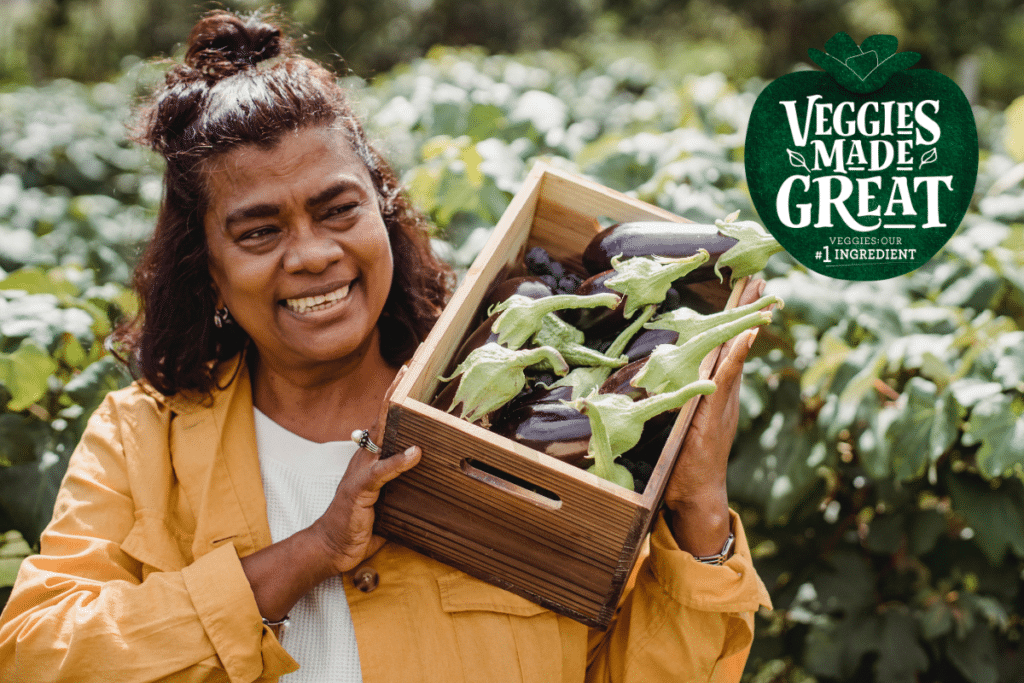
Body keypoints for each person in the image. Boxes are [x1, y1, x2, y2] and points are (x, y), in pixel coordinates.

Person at [0, 9, 771, 682]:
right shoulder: (142, 442)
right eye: (260, 229)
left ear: (384, 214)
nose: (310, 254)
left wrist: (698, 507)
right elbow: (37, 656)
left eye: (338, 209)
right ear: (206, 266)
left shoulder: (518, 412)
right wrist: (306, 553)